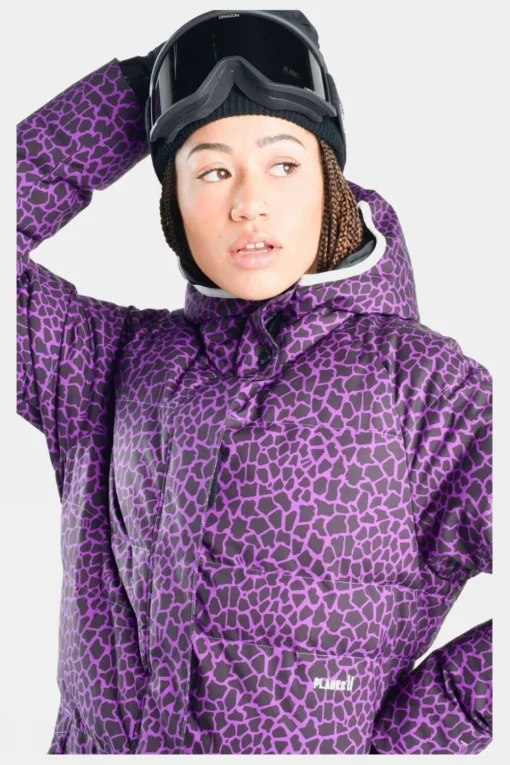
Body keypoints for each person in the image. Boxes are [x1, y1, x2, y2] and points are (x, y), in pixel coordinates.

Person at [16, 9, 492, 756]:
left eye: (283, 164)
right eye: (211, 170)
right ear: (173, 206)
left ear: (329, 182)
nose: (248, 201)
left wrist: (413, 734)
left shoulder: (424, 391)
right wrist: (133, 99)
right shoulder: (104, 365)